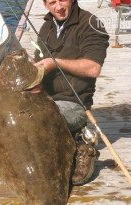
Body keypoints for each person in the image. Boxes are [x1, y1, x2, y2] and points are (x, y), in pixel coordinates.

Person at [34, 0, 109, 185]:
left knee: (42, 123)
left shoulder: (91, 24)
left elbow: (93, 68)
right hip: (45, 99)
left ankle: (83, 145)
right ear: (45, 5)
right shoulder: (46, 28)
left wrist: (56, 63)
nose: (58, 7)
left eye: (63, 0)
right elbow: (40, 67)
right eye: (52, 2)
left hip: (74, 102)